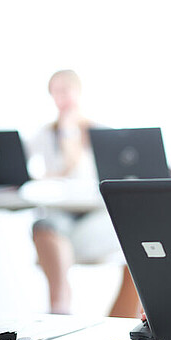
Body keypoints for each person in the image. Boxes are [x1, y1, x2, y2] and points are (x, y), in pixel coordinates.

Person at [28, 70, 139, 317]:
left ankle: (117, 322)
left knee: (133, 238)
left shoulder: (101, 133)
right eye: (56, 92)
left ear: (78, 92)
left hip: (97, 214)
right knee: (44, 227)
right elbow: (18, 164)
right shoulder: (46, 134)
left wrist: (70, 132)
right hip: (60, 214)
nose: (62, 97)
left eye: (66, 90)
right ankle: (60, 304)